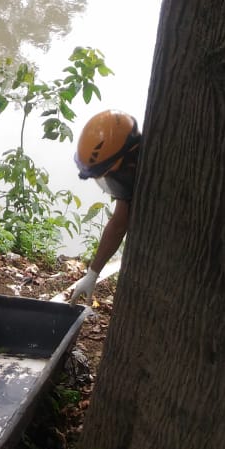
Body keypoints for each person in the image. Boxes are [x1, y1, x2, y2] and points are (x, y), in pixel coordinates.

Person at [67, 109, 143, 304]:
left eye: (110, 174)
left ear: (129, 163)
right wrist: (92, 273)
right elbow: (119, 223)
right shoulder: (131, 174)